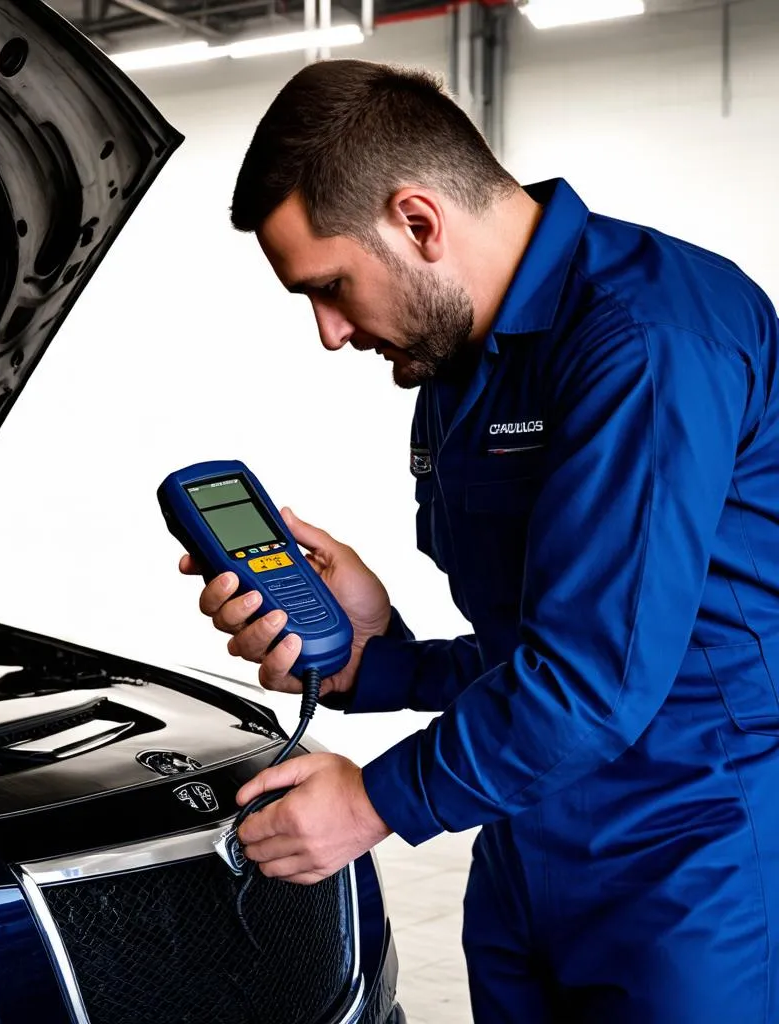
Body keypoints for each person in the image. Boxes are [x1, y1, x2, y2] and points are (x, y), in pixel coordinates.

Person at [178, 58, 779, 1023]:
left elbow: (596, 684)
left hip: (688, 870)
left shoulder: (650, 338)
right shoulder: (462, 368)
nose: (330, 333)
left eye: (329, 287)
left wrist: (374, 802)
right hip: (525, 858)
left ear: (418, 221)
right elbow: (532, 649)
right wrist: (369, 661)